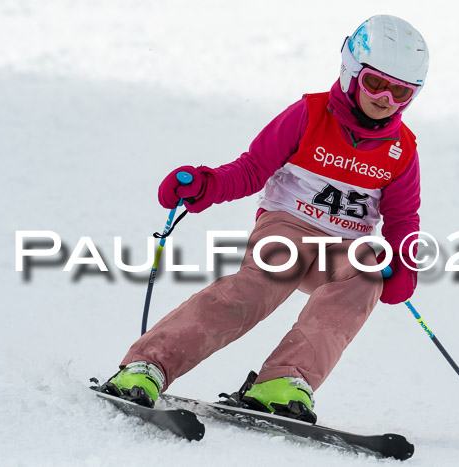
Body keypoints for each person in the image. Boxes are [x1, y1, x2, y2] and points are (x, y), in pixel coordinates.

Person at [100, 15, 429, 422]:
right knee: (255, 289)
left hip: (344, 246)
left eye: (401, 92)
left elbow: (402, 219)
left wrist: (405, 264)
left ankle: (284, 381)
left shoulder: (402, 149)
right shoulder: (309, 115)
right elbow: (253, 168)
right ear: (350, 72)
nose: (386, 99)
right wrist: (207, 184)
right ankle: (149, 365)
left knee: (366, 273)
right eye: (376, 84)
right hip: (289, 227)